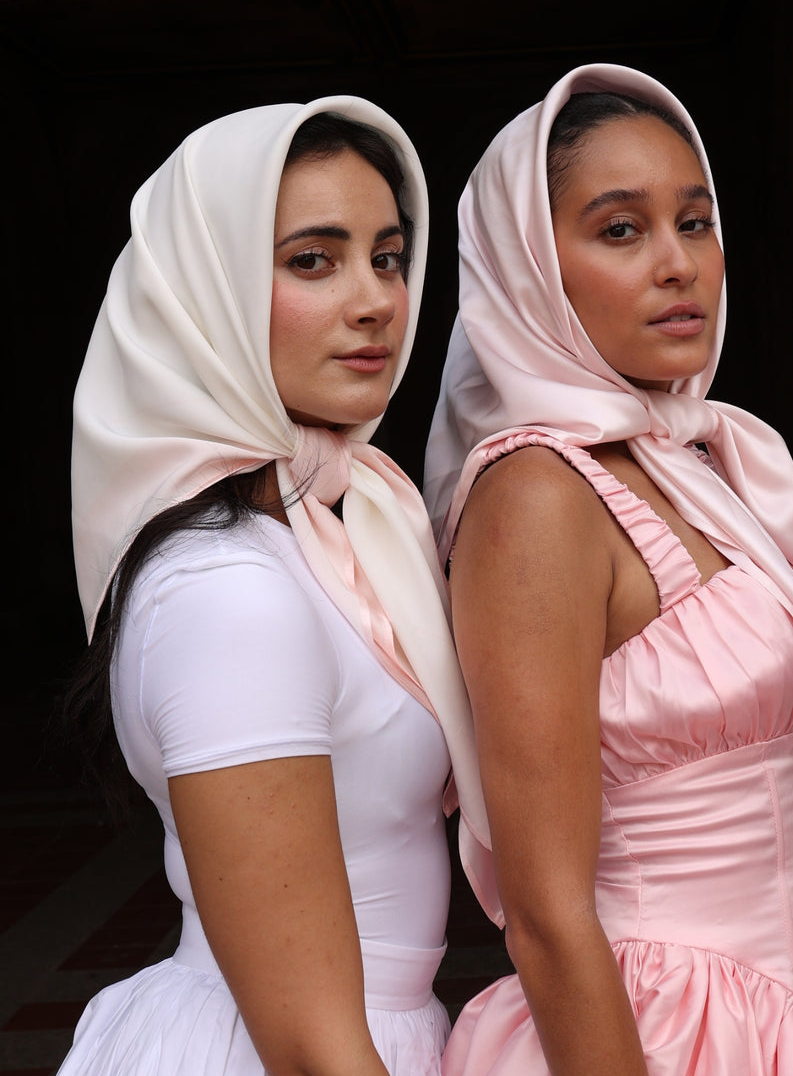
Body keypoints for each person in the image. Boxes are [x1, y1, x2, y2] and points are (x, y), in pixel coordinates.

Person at [423, 64, 793, 1076]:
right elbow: (547, 913)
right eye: (620, 230)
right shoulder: (537, 496)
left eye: (694, 222)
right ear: (528, 268)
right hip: (664, 1034)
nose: (679, 264)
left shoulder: (705, 466)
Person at [60, 98, 486, 1076]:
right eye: (313, 260)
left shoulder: (343, 530)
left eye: (388, 257)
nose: (377, 300)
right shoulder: (228, 589)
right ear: (203, 295)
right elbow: (306, 1046)